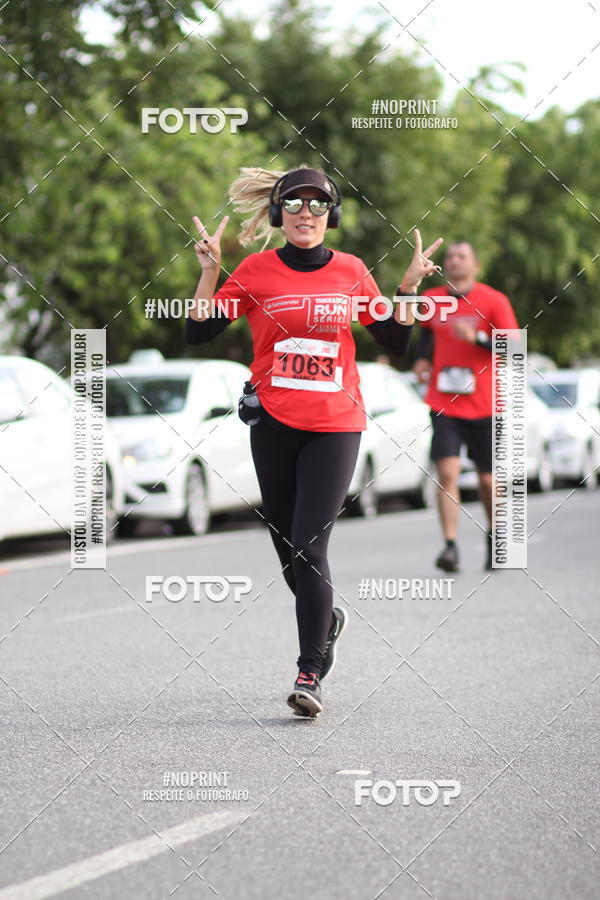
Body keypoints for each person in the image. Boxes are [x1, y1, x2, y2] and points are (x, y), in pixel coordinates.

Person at [186, 165, 442, 717]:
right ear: (279, 215)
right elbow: (198, 330)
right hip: (274, 424)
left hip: (335, 424)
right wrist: (209, 271)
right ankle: (326, 620)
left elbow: (395, 341)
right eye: (295, 204)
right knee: (287, 550)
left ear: (332, 215)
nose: (307, 214)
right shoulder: (255, 271)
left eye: (318, 205)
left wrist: (407, 289)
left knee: (309, 544)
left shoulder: (351, 271)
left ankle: (309, 670)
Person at [413, 240, 519, 573]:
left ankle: (495, 534)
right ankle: (450, 547)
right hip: (444, 402)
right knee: (447, 472)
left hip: (484, 403)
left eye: (462, 256)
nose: (454, 261)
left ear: (475, 264)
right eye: (450, 257)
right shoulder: (432, 300)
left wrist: (478, 340)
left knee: (488, 481)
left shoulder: (493, 300)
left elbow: (515, 349)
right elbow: (426, 338)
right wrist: (419, 360)